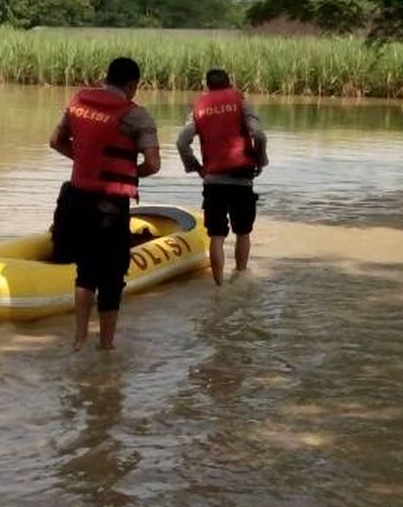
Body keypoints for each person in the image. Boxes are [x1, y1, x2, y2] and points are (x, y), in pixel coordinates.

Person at [49, 57, 161, 351]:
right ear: (132, 84)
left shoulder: (78, 102)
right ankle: (106, 347)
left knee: (85, 272)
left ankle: (79, 339)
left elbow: (56, 141)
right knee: (111, 276)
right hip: (110, 206)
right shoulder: (137, 116)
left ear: (106, 77)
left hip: (77, 199)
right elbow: (153, 164)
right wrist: (127, 173)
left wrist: (88, 163)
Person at [176, 69, 268, 286]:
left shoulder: (199, 108)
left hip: (213, 180)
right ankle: (240, 276)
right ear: (230, 84)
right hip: (241, 179)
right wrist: (260, 159)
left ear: (207, 86)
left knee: (216, 235)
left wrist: (195, 167)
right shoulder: (242, 103)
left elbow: (181, 142)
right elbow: (258, 134)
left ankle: (218, 286)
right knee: (243, 232)